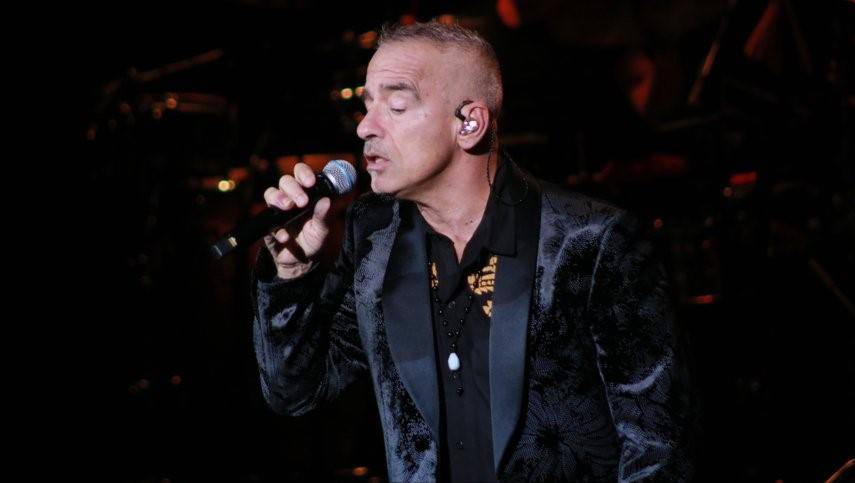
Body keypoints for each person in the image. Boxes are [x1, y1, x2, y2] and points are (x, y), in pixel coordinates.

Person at [253, 21, 692, 482]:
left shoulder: (590, 242)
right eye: (367, 105)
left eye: (396, 106)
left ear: (469, 123)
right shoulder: (374, 236)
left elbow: (659, 449)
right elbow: (295, 392)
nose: (365, 127)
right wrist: (290, 274)